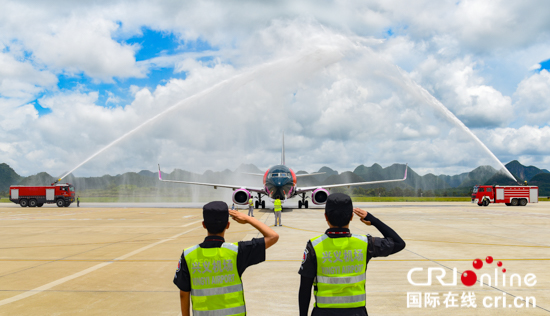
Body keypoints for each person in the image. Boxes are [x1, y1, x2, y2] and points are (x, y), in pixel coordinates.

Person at [298, 193, 405, 316]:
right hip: (357, 312)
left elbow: (305, 289)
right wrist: (373, 220)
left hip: (323, 312)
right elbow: (399, 243)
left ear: (326, 217)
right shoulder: (365, 243)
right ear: (352, 217)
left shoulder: (314, 246)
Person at [174, 201, 279, 316]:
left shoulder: (188, 255)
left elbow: (183, 293)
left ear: (204, 225)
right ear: (228, 225)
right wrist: (248, 219)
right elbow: (273, 236)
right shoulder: (237, 251)